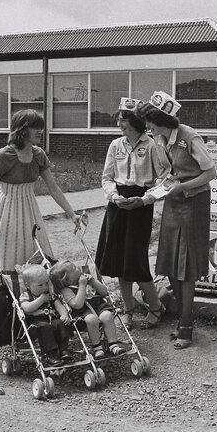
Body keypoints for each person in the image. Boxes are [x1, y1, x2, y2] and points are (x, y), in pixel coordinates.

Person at [136, 91, 217, 350]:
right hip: (174, 201)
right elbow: (168, 174)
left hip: (194, 203)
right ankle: (183, 319)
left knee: (187, 266)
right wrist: (153, 193)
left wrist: (183, 188)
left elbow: (210, 173)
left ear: (162, 120)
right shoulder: (159, 140)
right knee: (171, 262)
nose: (147, 126)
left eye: (150, 121)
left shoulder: (189, 137)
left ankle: (186, 325)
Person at [0, 109, 84, 294]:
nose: (40, 131)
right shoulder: (4, 155)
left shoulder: (39, 155)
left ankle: (36, 304)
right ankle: (6, 306)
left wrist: (72, 213)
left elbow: (54, 188)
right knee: (8, 256)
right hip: (6, 213)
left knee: (37, 252)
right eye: (35, 127)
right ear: (22, 130)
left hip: (30, 211)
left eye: (40, 127)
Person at [95, 97, 169, 331]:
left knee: (135, 260)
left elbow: (164, 178)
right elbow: (107, 177)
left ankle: (156, 306)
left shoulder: (152, 145)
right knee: (118, 260)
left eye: (124, 121)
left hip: (140, 204)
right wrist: (114, 196)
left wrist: (146, 199)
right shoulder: (116, 145)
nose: (119, 124)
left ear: (137, 123)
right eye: (118, 120)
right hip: (118, 204)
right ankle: (128, 309)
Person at [49, 260, 126, 359]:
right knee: (91, 319)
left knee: (107, 316)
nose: (78, 268)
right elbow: (77, 305)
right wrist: (82, 286)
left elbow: (104, 292)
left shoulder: (88, 279)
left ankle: (113, 345)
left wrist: (93, 282)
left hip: (99, 306)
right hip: (83, 313)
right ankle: (97, 348)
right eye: (74, 269)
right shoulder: (66, 290)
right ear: (67, 279)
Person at [17, 264, 73, 366]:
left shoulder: (50, 294)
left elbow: (59, 306)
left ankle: (63, 350)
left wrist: (64, 315)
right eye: (40, 285)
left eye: (47, 283)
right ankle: (49, 354)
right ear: (28, 286)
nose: (45, 287)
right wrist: (41, 299)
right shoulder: (26, 295)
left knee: (60, 323)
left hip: (52, 319)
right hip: (35, 322)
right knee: (45, 327)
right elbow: (26, 308)